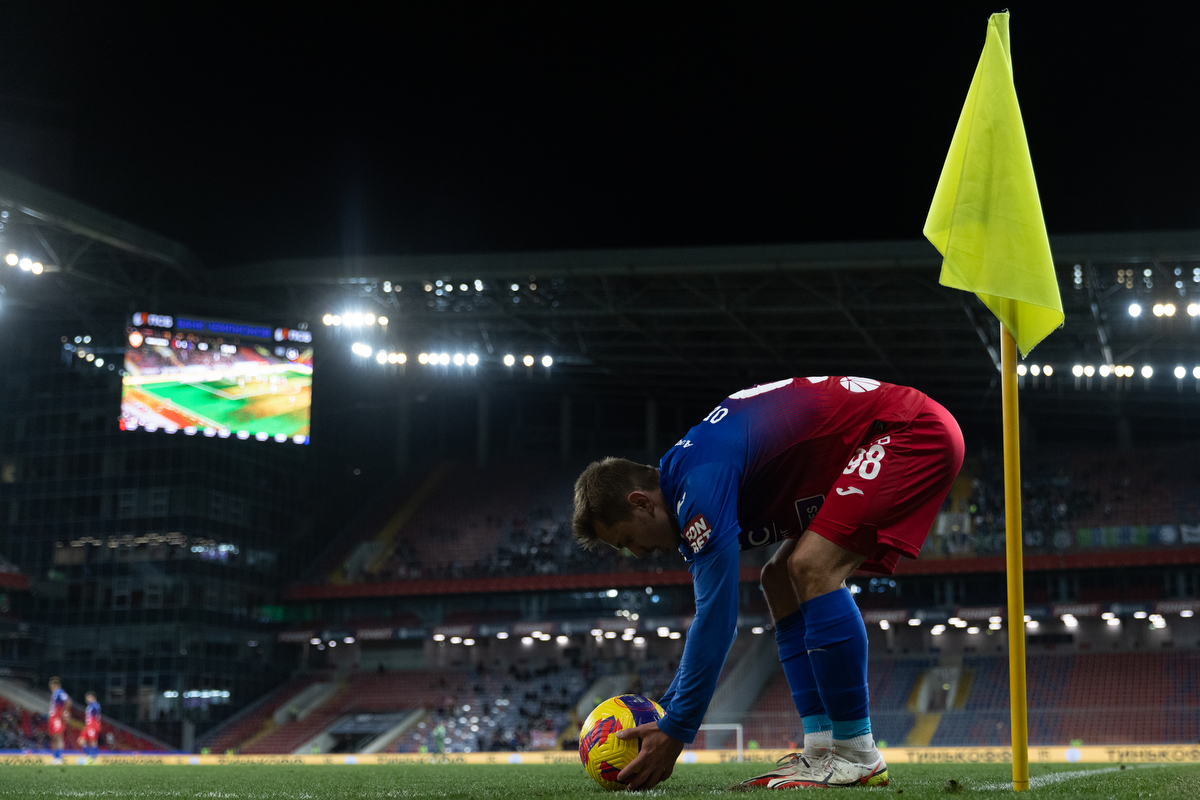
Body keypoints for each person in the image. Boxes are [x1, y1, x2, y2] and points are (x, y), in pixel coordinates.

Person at [571, 376, 963, 790]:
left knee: (812, 566)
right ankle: (822, 747)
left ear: (640, 502)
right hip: (873, 438)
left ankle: (856, 753)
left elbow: (717, 619)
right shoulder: (686, 479)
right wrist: (665, 711)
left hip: (910, 431)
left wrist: (678, 728)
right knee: (778, 578)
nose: (636, 554)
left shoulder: (699, 485)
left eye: (628, 540)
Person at [46, 677, 71, 764]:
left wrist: (65, 712)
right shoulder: (54, 694)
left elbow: (68, 700)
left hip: (57, 718)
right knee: (53, 738)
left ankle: (59, 758)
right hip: (53, 718)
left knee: (58, 737)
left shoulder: (59, 692)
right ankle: (55, 757)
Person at [79, 692, 101, 763]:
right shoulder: (89, 706)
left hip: (93, 724)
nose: (87, 699)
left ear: (93, 697)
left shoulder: (95, 704)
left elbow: (98, 713)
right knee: (81, 740)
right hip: (88, 725)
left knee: (93, 741)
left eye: (89, 697)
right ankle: (89, 756)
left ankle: (93, 758)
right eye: (87, 698)